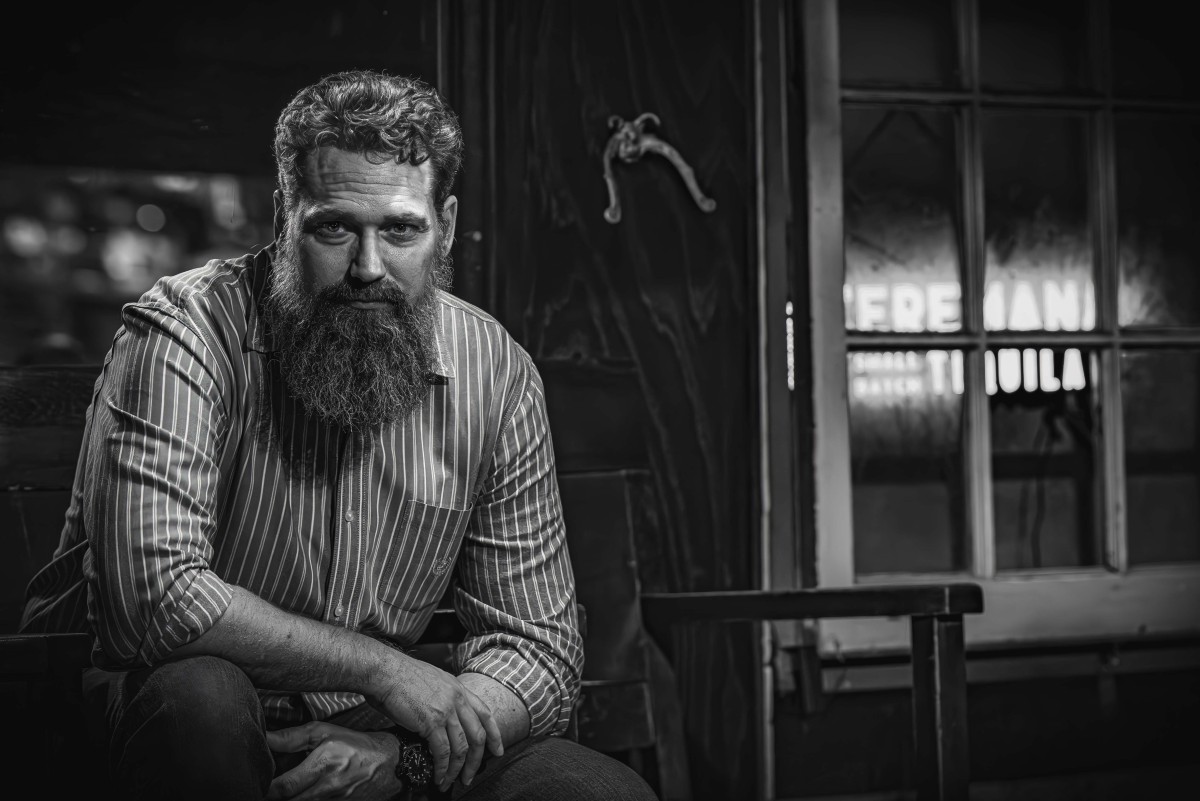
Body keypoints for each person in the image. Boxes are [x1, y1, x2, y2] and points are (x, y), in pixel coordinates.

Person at [20, 70, 657, 801]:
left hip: (368, 731)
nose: (368, 267)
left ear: (445, 225)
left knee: (596, 791)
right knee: (202, 698)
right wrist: (385, 670)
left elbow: (537, 650)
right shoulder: (185, 332)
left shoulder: (496, 372)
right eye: (334, 228)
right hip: (145, 717)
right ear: (283, 215)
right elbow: (155, 603)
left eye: (401, 229)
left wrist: (402, 755)